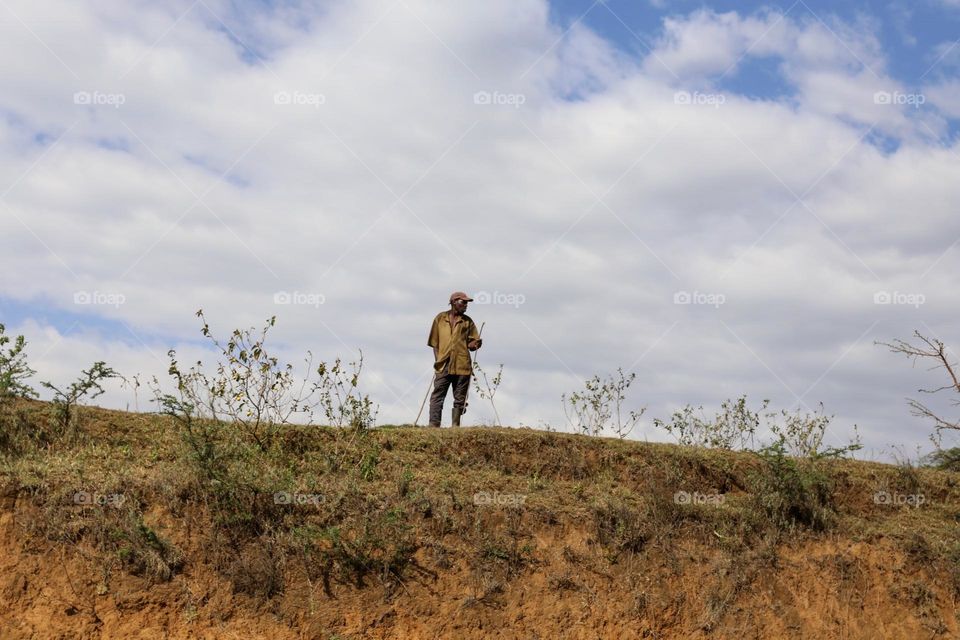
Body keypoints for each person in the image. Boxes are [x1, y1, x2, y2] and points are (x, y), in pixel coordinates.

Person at [427, 291, 482, 427]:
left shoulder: (467, 322)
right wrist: (438, 362)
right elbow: (434, 343)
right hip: (443, 365)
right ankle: (434, 425)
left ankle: (455, 427)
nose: (466, 305)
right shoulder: (440, 319)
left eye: (467, 303)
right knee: (437, 396)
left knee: (460, 399)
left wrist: (476, 344)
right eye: (463, 302)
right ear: (453, 302)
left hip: (462, 365)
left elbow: (471, 345)